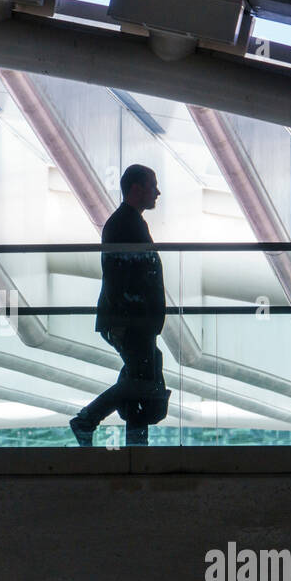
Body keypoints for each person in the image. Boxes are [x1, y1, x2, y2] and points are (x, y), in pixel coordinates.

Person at [70, 164, 168, 447]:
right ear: (136, 188)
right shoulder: (127, 223)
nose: (157, 192)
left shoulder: (126, 221)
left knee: (142, 373)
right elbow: (125, 275)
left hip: (129, 319)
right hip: (130, 320)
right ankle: (89, 420)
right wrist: (134, 318)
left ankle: (133, 441)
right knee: (143, 378)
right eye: (153, 185)